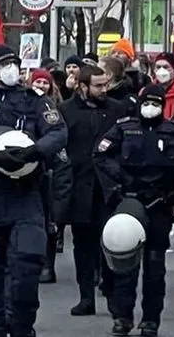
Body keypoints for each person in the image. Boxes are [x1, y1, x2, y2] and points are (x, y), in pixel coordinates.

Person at [0, 44, 68, 337]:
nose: (11, 70)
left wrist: (35, 152)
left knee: (26, 270)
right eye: (4, 64)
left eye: (14, 64)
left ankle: (22, 329)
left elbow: (58, 132)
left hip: (26, 196)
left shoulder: (34, 100)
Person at [94, 84, 174, 337]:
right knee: (125, 262)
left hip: (160, 203)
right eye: (147, 102)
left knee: (155, 267)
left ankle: (150, 320)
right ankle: (122, 317)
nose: (150, 107)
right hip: (130, 201)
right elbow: (100, 155)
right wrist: (122, 179)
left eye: (156, 103)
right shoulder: (125, 128)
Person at [59, 63, 127, 315]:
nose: (103, 90)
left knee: (112, 243)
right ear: (83, 86)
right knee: (83, 244)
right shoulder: (66, 111)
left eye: (105, 84)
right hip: (80, 187)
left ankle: (111, 293)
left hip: (109, 188)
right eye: (98, 86)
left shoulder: (117, 109)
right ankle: (86, 295)